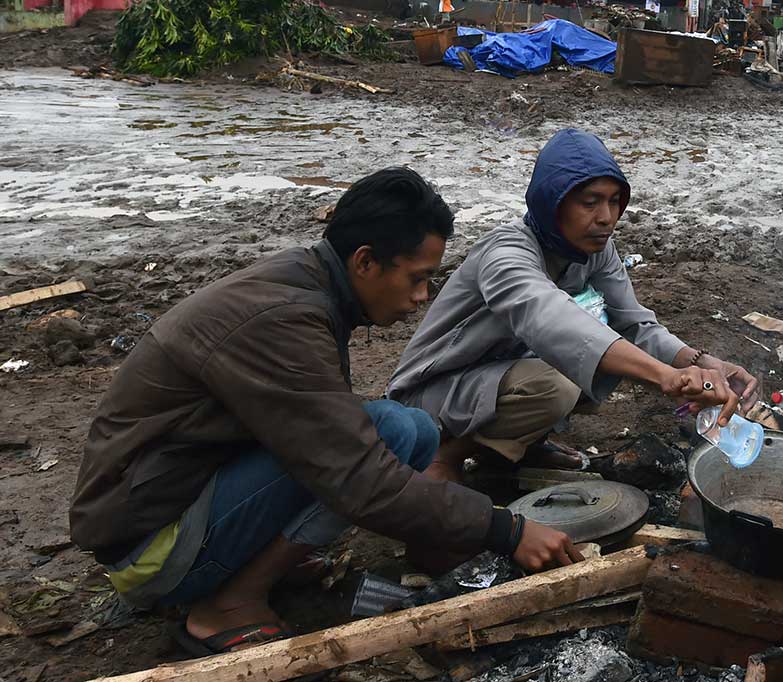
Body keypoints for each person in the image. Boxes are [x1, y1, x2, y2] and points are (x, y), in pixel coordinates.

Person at [69, 168, 582, 656]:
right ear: (364, 261)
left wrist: (449, 528)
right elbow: (358, 476)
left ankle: (277, 560)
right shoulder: (284, 318)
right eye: (418, 278)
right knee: (388, 432)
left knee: (411, 428)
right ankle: (224, 606)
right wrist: (505, 530)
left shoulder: (306, 282)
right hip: (151, 550)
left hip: (173, 500)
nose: (422, 297)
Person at [388, 129, 759, 484]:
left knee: (591, 361)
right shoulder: (505, 254)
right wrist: (664, 376)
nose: (606, 217)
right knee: (561, 379)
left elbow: (633, 325)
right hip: (433, 392)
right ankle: (446, 455)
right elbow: (550, 319)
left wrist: (697, 362)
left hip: (495, 378)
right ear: (553, 202)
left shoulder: (592, 250)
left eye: (615, 201)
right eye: (590, 202)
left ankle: (518, 446)